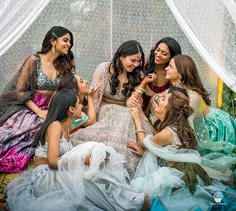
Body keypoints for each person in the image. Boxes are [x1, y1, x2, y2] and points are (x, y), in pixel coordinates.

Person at [7, 89, 149, 211]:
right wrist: (86, 160)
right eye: (79, 103)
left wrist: (92, 160)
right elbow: (52, 162)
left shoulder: (66, 127)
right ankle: (127, 204)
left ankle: (125, 200)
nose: (82, 105)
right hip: (45, 178)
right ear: (71, 109)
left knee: (92, 166)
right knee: (89, 159)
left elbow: (90, 120)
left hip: (57, 173)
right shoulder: (55, 126)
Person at [128, 88, 236, 210]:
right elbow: (162, 144)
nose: (159, 99)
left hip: (176, 174)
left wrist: (137, 117)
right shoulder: (179, 127)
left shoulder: (166, 133)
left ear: (169, 108)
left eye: (163, 99)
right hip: (190, 171)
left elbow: (144, 142)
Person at [70, 40, 152, 176]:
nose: (136, 65)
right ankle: (112, 162)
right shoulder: (103, 69)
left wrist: (142, 85)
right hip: (105, 109)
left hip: (127, 112)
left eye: (139, 61)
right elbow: (95, 99)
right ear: (121, 56)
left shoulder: (137, 74)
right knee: (123, 117)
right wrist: (90, 122)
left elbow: (133, 104)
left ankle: (124, 165)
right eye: (133, 60)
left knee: (128, 116)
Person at [0, 26, 75, 173]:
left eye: (70, 42)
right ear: (53, 41)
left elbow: (63, 93)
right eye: (65, 40)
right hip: (31, 108)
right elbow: (19, 91)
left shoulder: (63, 65)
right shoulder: (34, 60)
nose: (69, 45)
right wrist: (38, 111)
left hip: (52, 110)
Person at [166, 54, 236, 181]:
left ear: (181, 73)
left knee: (219, 166)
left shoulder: (192, 97)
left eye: (170, 66)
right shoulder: (176, 90)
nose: (166, 69)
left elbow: (190, 128)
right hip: (201, 124)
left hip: (216, 125)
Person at [141, 37, 182, 115]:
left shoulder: (173, 76)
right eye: (158, 50)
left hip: (159, 116)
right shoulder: (144, 66)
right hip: (138, 110)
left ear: (172, 57)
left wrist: (151, 93)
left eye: (164, 54)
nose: (158, 55)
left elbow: (172, 103)